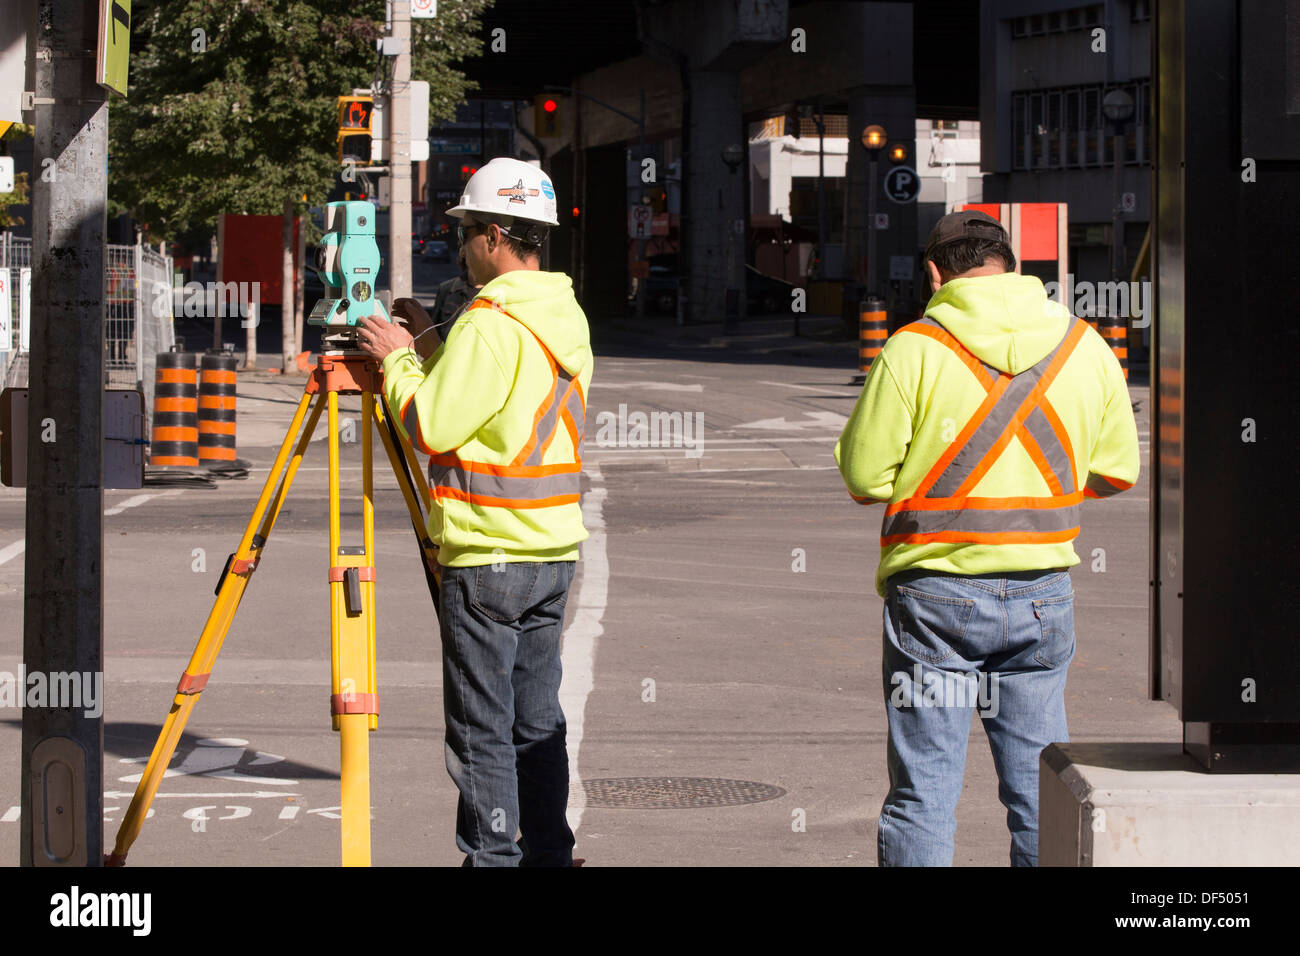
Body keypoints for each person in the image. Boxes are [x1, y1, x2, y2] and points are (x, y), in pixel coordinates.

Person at [834, 210, 1139, 867]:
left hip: (934, 601)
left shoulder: (915, 347)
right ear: (1011, 267)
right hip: (1042, 598)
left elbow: (864, 478)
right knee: (1041, 794)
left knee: (925, 792)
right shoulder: (1082, 344)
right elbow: (1118, 470)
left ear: (936, 273)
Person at [356, 157, 593, 867]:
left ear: (493, 235)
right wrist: (428, 339)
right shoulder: (560, 313)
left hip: (488, 556)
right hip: (551, 552)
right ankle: (547, 852)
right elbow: (492, 397)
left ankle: (493, 858)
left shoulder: (491, 322)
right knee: (535, 720)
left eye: (465, 233)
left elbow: (432, 423)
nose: (461, 247)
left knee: (481, 731)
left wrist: (398, 359)